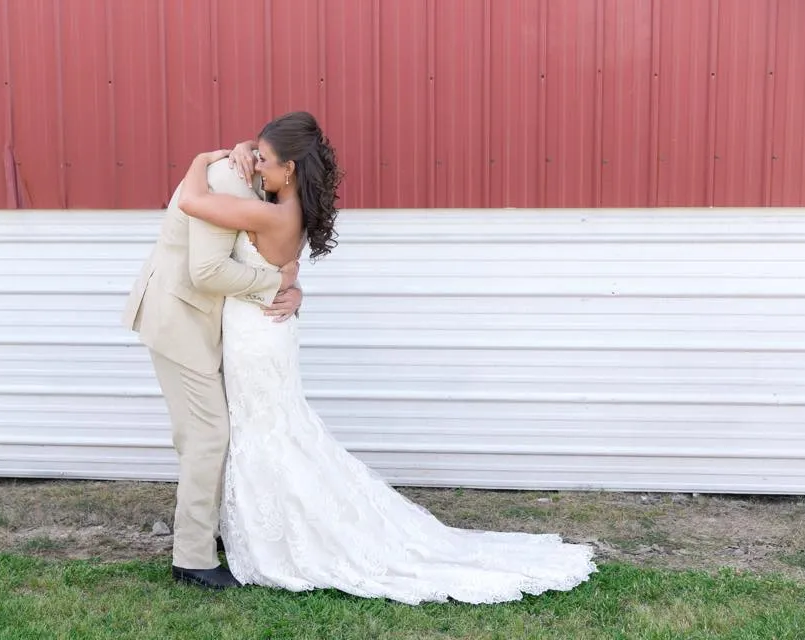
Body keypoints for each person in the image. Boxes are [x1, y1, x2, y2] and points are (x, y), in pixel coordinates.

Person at [174, 110, 597, 605]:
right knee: (270, 429)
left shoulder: (268, 214)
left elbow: (191, 201)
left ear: (289, 169)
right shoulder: (291, 209)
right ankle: (251, 525)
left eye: (264, 160)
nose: (255, 167)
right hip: (267, 331)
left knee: (266, 432)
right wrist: (247, 146)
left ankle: (283, 532)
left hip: (256, 337)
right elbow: (273, 251)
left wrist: (205, 157)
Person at [121, 149, 303, 590]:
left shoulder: (254, 178)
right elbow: (207, 272)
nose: (258, 164)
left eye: (264, 157)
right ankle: (192, 558)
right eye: (256, 154)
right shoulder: (226, 179)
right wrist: (278, 282)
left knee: (208, 432)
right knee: (207, 435)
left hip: (212, 325)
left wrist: (294, 290)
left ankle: (211, 532)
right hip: (179, 320)